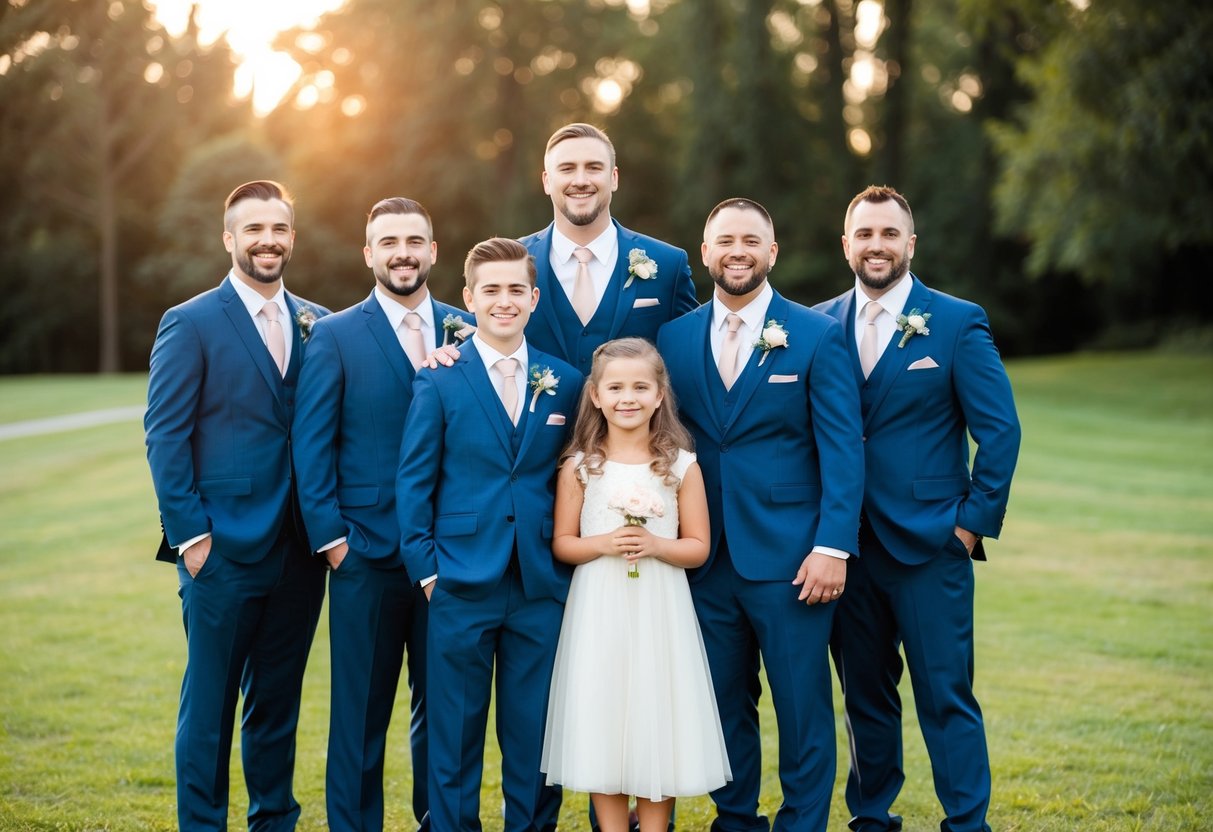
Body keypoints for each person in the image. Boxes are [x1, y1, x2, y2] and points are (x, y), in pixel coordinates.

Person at [815, 185, 1021, 832]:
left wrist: (967, 526)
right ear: (845, 243)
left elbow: (1001, 430)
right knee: (864, 699)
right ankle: (871, 819)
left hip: (931, 548)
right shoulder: (815, 324)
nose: (876, 244)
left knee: (944, 697)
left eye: (888, 233)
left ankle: (967, 824)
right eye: (864, 234)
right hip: (846, 550)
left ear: (910, 243)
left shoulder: (956, 322)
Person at [656, 198, 864, 832]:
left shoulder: (816, 335)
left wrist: (832, 545)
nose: (737, 251)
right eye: (725, 240)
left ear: (772, 252)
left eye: (751, 240)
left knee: (802, 705)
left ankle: (803, 823)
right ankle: (736, 820)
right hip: (704, 558)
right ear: (706, 251)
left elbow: (842, 447)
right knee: (723, 702)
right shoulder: (674, 338)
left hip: (793, 559)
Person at [144, 179, 329, 829]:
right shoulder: (190, 322)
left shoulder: (320, 323)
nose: (267, 241)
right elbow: (164, 435)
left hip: (299, 549)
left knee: (277, 702)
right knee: (211, 706)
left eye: (278, 229)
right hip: (220, 549)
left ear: (292, 237)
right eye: (253, 230)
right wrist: (191, 536)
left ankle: (273, 819)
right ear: (230, 239)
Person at [292, 197, 472, 831]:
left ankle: (438, 823)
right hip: (363, 556)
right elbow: (311, 446)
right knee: (359, 715)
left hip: (447, 557)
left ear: (433, 250)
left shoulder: (467, 328)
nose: (403, 252)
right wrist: (333, 541)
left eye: (415, 240)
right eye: (389, 242)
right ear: (368, 253)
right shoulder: (335, 335)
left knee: (444, 712)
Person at [396, 237, 582, 831]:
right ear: (468, 299)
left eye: (515, 291)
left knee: (534, 734)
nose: (504, 302)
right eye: (490, 290)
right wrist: (427, 571)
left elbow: (575, 474)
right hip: (457, 580)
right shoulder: (439, 379)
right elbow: (414, 481)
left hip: (538, 582)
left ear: (533, 298)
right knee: (453, 733)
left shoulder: (565, 380)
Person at [541, 337, 730, 832]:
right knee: (605, 715)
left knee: (656, 716)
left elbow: (698, 547)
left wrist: (655, 545)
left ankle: (653, 825)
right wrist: (604, 543)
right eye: (616, 387)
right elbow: (564, 542)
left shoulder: (681, 465)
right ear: (596, 396)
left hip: (659, 610)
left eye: (641, 386)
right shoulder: (580, 465)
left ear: (660, 394)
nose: (629, 397)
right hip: (599, 609)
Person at [520, 122, 698, 374]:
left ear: (613, 178)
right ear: (547, 181)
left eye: (593, 168)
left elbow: (692, 359)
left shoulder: (669, 264)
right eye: (567, 169)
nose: (580, 181)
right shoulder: (512, 262)